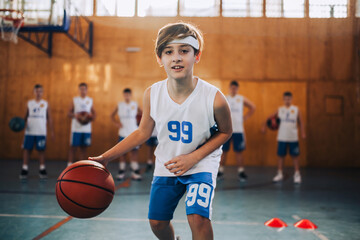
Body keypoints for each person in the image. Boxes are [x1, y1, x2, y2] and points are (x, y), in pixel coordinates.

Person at [89, 22, 232, 240]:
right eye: (168, 52)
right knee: (157, 223)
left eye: (184, 51)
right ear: (159, 59)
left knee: (198, 218)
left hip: (201, 162)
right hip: (168, 163)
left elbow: (225, 132)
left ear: (197, 56)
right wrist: (106, 157)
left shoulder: (214, 97)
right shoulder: (152, 94)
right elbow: (142, 133)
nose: (176, 57)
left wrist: (193, 157)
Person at [262, 91, 306, 184]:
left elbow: (301, 122)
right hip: (282, 137)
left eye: (289, 99)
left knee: (295, 156)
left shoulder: (296, 109)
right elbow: (269, 118)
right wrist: (264, 126)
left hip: (293, 137)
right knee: (280, 156)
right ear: (283, 99)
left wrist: (303, 133)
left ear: (291, 99)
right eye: (285, 99)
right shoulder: (280, 109)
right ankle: (279, 173)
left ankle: (297, 174)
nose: (287, 101)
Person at [218, 80, 256, 181]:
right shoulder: (225, 98)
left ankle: (241, 171)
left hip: (238, 130)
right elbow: (217, 109)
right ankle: (220, 171)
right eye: (232, 88)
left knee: (239, 152)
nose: (233, 90)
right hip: (226, 129)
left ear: (237, 89)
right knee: (223, 151)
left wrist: (246, 117)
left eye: (235, 88)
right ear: (229, 88)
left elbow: (253, 107)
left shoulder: (241, 99)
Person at [20, 84, 54, 179]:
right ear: (34, 92)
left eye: (40, 91)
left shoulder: (46, 103)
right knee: (27, 149)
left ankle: (42, 169)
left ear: (42, 92)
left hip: (41, 131)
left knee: (41, 150)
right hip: (30, 131)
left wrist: (52, 132)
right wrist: (21, 125)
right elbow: (24, 117)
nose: (38, 93)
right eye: (36, 91)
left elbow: (50, 118)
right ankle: (25, 168)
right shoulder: (29, 103)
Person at [110, 88, 142, 181]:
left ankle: (135, 172)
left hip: (133, 132)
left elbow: (142, 114)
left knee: (134, 153)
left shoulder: (135, 104)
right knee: (122, 153)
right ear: (123, 95)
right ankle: (121, 171)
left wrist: (139, 123)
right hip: (123, 132)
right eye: (125, 95)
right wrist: (116, 123)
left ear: (131, 95)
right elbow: (111, 116)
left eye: (128, 95)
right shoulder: (120, 105)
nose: (127, 96)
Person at [67, 83, 96, 166]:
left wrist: (90, 117)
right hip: (76, 128)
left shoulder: (90, 100)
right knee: (73, 148)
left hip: (86, 129)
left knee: (83, 149)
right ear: (79, 90)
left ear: (87, 90)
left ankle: (81, 166)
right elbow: (69, 113)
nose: (83, 91)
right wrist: (75, 115)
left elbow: (94, 114)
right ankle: (69, 166)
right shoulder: (75, 100)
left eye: (84, 89)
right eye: (81, 89)